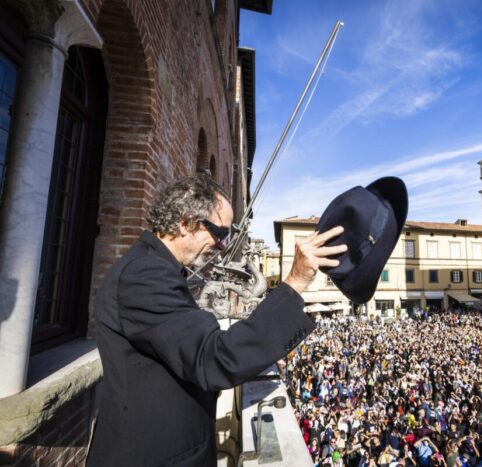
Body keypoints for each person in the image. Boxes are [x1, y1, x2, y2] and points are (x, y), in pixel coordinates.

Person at [86, 174, 347, 466]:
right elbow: (213, 357)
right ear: (185, 223)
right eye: (219, 233)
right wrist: (296, 281)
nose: (223, 245)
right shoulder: (145, 275)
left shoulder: (155, 269)